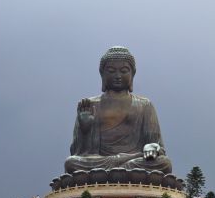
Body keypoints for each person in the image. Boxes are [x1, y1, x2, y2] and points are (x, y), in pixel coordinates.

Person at [64, 46, 172, 174]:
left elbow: (156, 146)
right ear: (102, 74)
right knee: (71, 163)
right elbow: (78, 153)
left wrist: (152, 146)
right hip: (100, 162)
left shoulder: (144, 105)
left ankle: (115, 172)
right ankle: (118, 172)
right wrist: (85, 129)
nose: (118, 76)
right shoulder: (90, 105)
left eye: (124, 71)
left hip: (134, 161)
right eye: (111, 71)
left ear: (133, 74)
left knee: (164, 163)